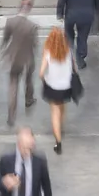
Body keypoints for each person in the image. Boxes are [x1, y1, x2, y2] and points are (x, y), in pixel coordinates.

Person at [2, 0, 38, 126]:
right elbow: (35, 44)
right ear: (30, 8)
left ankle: (11, 115)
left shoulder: (10, 22)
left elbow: (6, 39)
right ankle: (29, 99)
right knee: (28, 80)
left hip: (14, 58)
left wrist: (5, 50)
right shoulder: (32, 26)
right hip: (28, 58)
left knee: (13, 85)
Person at [39, 27, 74, 155]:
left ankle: (58, 141)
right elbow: (73, 68)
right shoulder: (68, 51)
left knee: (54, 112)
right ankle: (61, 127)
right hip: (66, 86)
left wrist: (45, 79)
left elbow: (41, 72)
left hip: (52, 86)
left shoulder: (48, 52)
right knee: (62, 107)